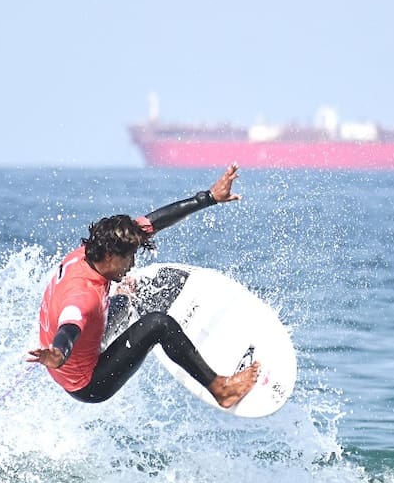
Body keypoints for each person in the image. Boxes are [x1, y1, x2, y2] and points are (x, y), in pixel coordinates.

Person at [27, 163, 260, 408]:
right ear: (109, 256)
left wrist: (208, 198)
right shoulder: (83, 297)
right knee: (159, 324)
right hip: (89, 383)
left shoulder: (92, 250)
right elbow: (71, 324)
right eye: (129, 257)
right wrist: (59, 354)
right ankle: (222, 390)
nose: (132, 263)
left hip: (69, 355)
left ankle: (129, 310)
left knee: (129, 296)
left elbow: (153, 222)